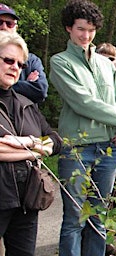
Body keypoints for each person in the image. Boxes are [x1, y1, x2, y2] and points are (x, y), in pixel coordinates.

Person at [49, 1, 116, 255]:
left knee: (99, 217)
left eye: (90, 30)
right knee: (74, 218)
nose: (85, 36)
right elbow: (82, 102)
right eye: (80, 29)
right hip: (77, 149)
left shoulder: (106, 65)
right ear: (69, 28)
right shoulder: (60, 62)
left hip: (109, 150)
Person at [0, 31, 62, 256]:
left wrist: (26, 142)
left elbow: (55, 140)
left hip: (27, 201)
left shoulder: (26, 104)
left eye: (20, 63)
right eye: (8, 60)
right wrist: (34, 151)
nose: (15, 67)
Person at [0, 3, 48, 104]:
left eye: (9, 24)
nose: (4, 27)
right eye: (8, 61)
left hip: (23, 117)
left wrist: (7, 83)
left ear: (16, 28)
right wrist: (27, 84)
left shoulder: (31, 60)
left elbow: (40, 91)